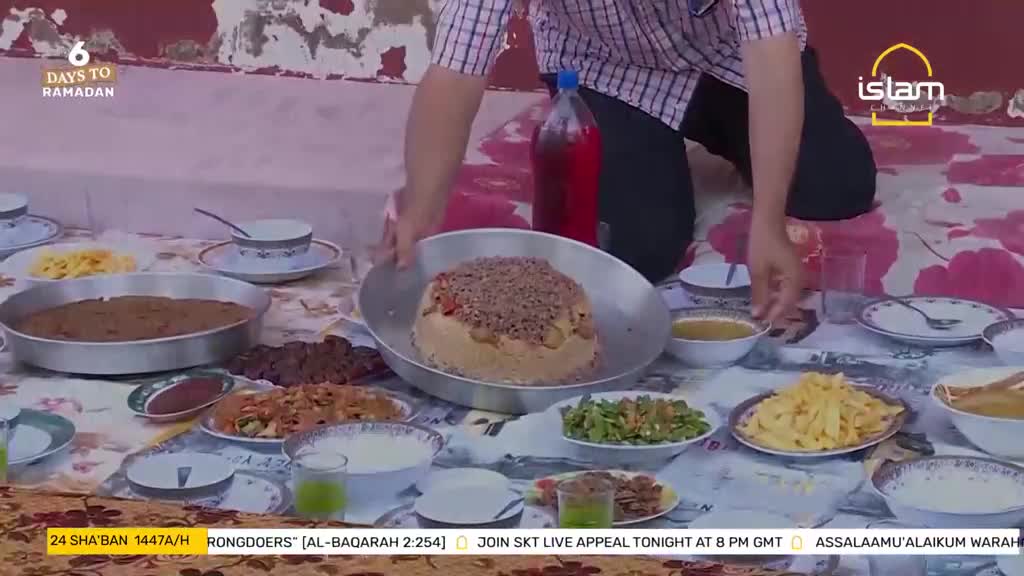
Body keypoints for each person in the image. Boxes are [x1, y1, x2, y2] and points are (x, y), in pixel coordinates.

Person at [380, 0, 877, 322]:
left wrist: (768, 221)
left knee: (838, 184)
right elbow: (456, 69)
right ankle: (651, 144)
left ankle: (724, 137)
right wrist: (422, 205)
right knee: (634, 247)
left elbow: (770, 50)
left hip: (727, 60)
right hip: (606, 69)